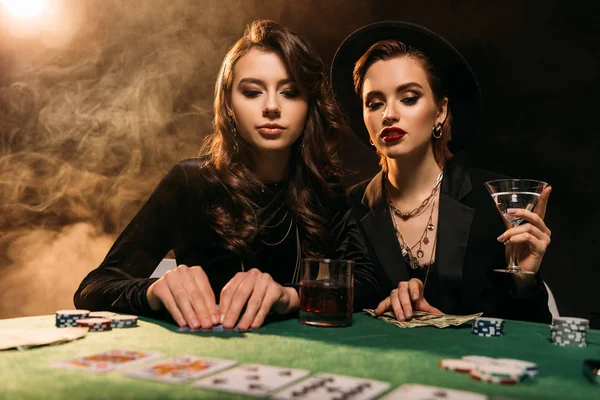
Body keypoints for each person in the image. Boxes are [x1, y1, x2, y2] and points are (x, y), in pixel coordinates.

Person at [74, 20, 381, 331]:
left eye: (290, 92)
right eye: (252, 92)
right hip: (210, 357)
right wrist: (152, 291)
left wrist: (290, 297)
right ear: (228, 104)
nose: (272, 106)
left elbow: (368, 284)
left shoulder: (325, 191)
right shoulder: (191, 182)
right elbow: (93, 288)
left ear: (309, 106)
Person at [330, 21, 552, 323]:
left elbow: (535, 337)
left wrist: (524, 278)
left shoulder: (493, 202)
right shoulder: (347, 209)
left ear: (441, 111)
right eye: (374, 103)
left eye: (408, 98)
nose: (389, 114)